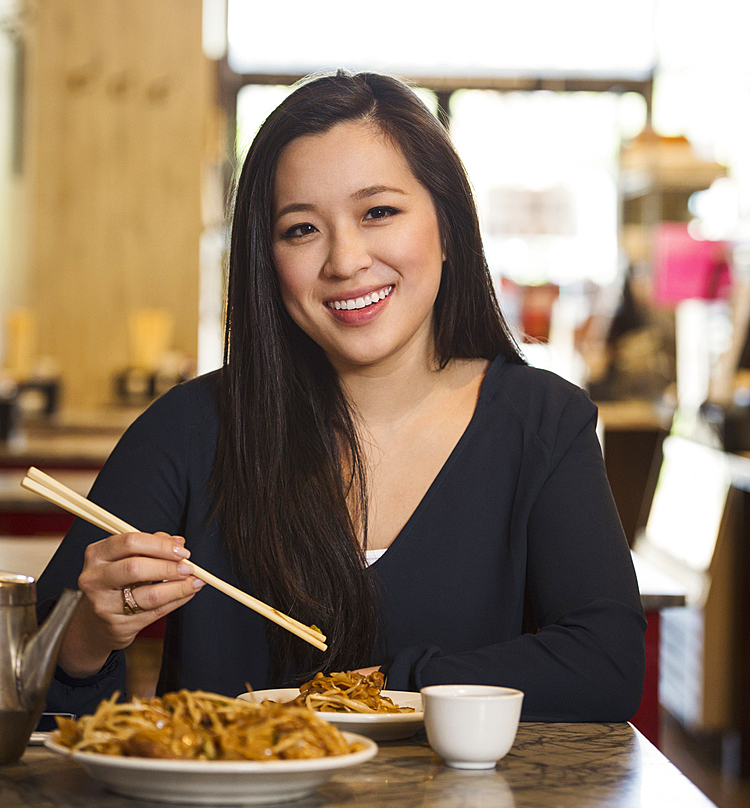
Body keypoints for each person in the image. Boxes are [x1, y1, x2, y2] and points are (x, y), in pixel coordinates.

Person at [37, 70, 646, 722]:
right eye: (301, 229)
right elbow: (28, 681)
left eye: (378, 212)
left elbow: (603, 667)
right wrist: (86, 637)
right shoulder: (190, 430)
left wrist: (387, 686)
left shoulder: (543, 422)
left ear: (448, 223)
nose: (346, 260)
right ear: (265, 258)